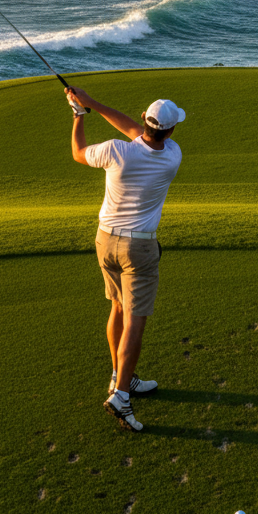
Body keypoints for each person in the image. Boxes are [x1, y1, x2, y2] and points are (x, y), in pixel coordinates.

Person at [65, 86, 185, 433]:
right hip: (139, 249)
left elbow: (78, 152)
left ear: (145, 120)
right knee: (135, 320)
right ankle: (121, 395)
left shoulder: (115, 151)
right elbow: (138, 132)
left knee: (117, 308)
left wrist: (80, 112)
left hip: (105, 241)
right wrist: (91, 103)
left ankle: (121, 376)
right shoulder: (172, 156)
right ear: (170, 130)